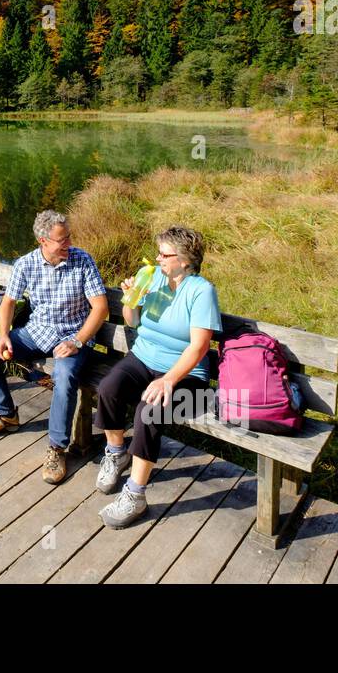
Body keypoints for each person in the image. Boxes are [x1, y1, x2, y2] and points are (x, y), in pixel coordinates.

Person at [94, 225, 221, 528]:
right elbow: (134, 321)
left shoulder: (202, 291)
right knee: (109, 387)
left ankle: (136, 494)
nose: (158, 258)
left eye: (165, 254)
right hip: (142, 358)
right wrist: (131, 299)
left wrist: (169, 380)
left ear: (185, 259)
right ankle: (116, 453)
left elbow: (200, 346)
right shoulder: (154, 279)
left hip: (185, 376)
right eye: (159, 253)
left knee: (149, 411)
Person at [0, 209, 108, 485]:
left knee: (64, 376)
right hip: (37, 333)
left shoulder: (82, 260)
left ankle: (57, 448)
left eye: (69, 236)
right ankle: (7, 415)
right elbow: (8, 302)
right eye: (62, 239)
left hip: (72, 338)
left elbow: (100, 307)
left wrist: (77, 340)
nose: (69, 242)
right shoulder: (26, 264)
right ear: (43, 242)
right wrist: (5, 335)